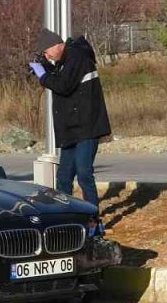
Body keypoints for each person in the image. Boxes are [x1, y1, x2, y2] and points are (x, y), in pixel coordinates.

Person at [29, 28, 112, 212]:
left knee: (84, 174)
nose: (46, 55)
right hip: (72, 129)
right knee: (64, 177)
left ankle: (91, 218)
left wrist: (42, 75)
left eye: (46, 52)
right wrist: (45, 67)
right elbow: (61, 78)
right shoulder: (65, 61)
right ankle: (65, 215)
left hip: (86, 127)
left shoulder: (76, 56)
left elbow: (63, 85)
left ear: (56, 45)